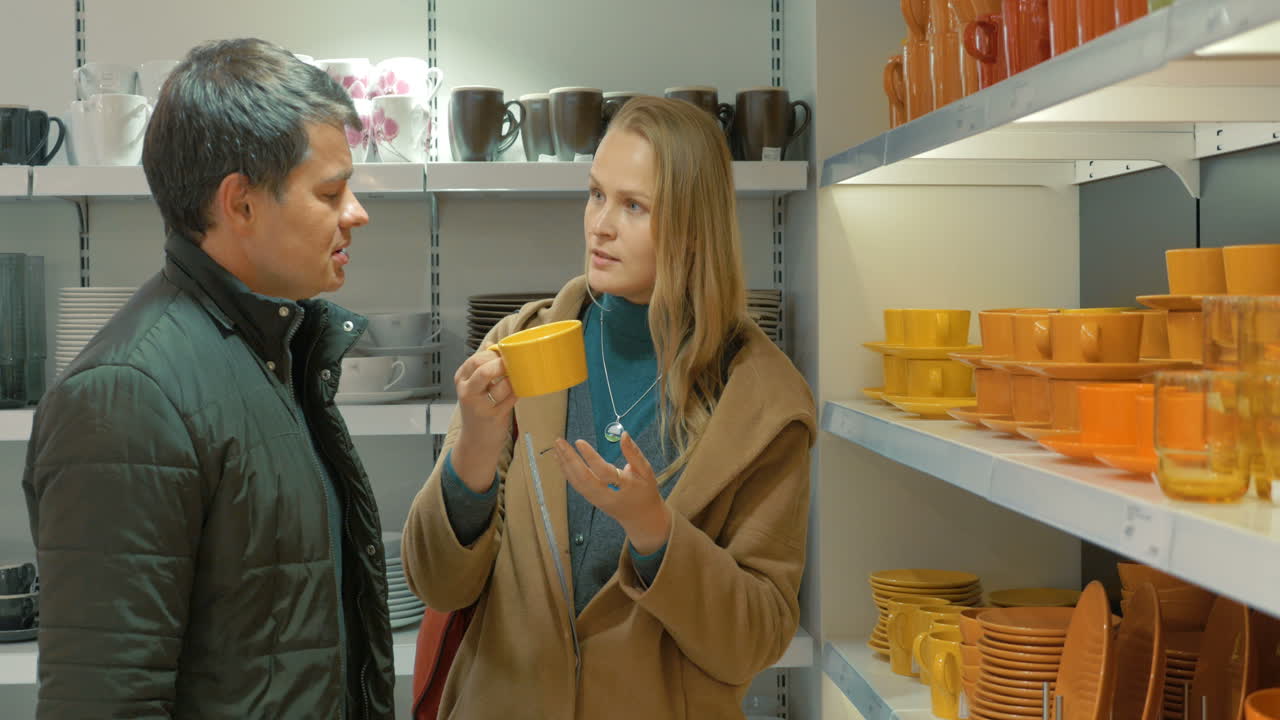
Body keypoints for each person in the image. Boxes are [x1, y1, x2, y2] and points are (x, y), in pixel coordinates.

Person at [402, 96, 816, 718]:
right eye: (596, 194)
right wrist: (475, 451)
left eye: (633, 206)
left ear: (694, 227)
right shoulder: (517, 349)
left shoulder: (763, 404)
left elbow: (756, 639)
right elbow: (437, 582)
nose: (600, 225)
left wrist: (656, 533)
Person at [22, 38, 395, 719]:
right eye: (330, 192)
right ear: (240, 203)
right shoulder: (126, 397)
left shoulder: (274, 350)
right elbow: (104, 700)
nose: (356, 214)